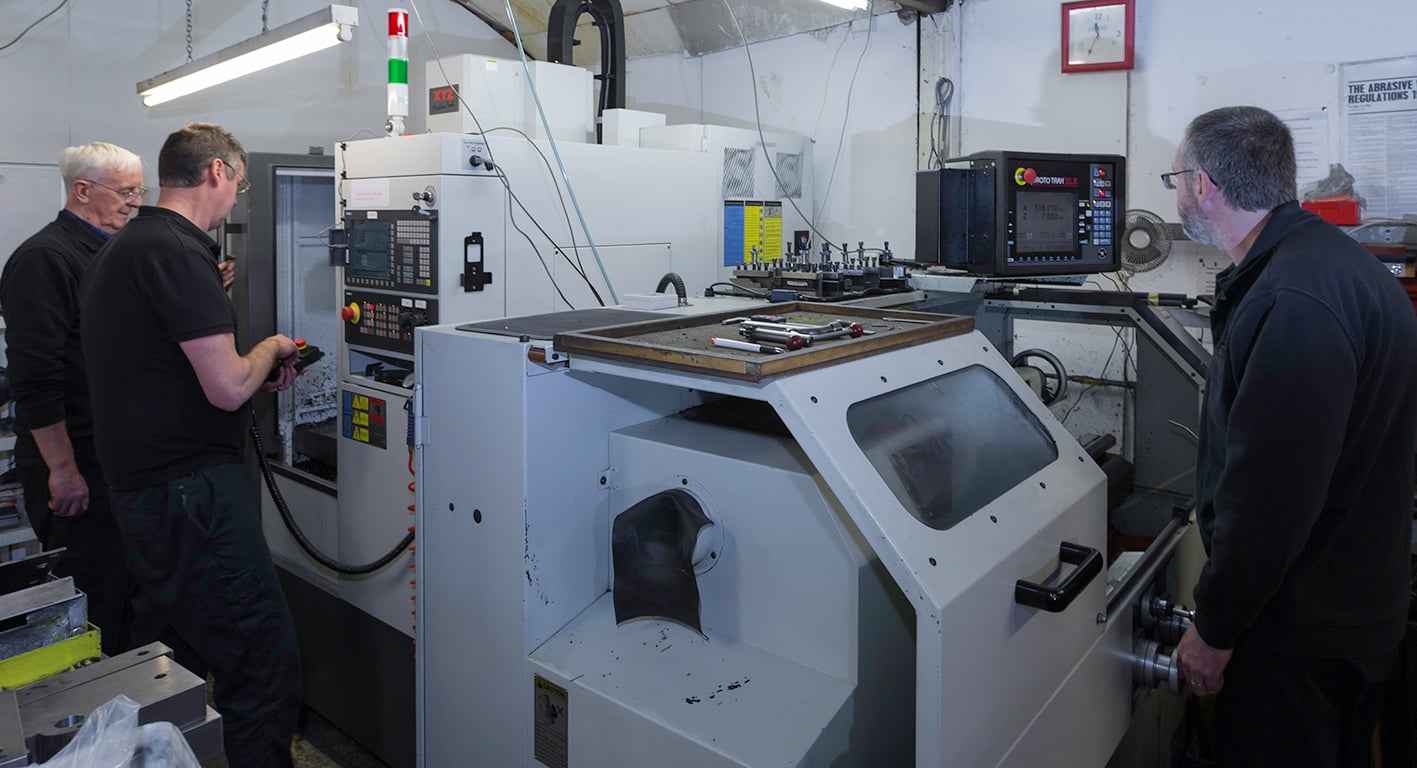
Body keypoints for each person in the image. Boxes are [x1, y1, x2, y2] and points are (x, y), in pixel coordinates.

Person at [1169, 106, 1417, 768]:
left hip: (1302, 636)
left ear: (1202, 185)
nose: (1176, 193)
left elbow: (1270, 499)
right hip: (1349, 608)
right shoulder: (1331, 264)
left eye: (1175, 178)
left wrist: (1214, 628)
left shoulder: (1291, 299)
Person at [78, 123, 302, 768]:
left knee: (175, 657)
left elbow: (169, 370)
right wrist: (271, 349)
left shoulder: (125, 247)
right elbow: (228, 388)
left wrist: (252, 371)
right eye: (239, 183)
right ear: (217, 172)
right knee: (261, 660)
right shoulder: (178, 251)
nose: (235, 198)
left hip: (147, 493)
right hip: (192, 494)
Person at [0, 141, 143, 656]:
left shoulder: (108, 253)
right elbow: (36, 377)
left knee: (128, 598)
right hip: (74, 464)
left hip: (112, 461)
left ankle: (133, 694)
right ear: (83, 190)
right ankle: (96, 701)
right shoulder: (46, 259)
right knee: (94, 601)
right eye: (126, 192)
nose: (135, 203)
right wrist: (62, 470)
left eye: (139, 191)